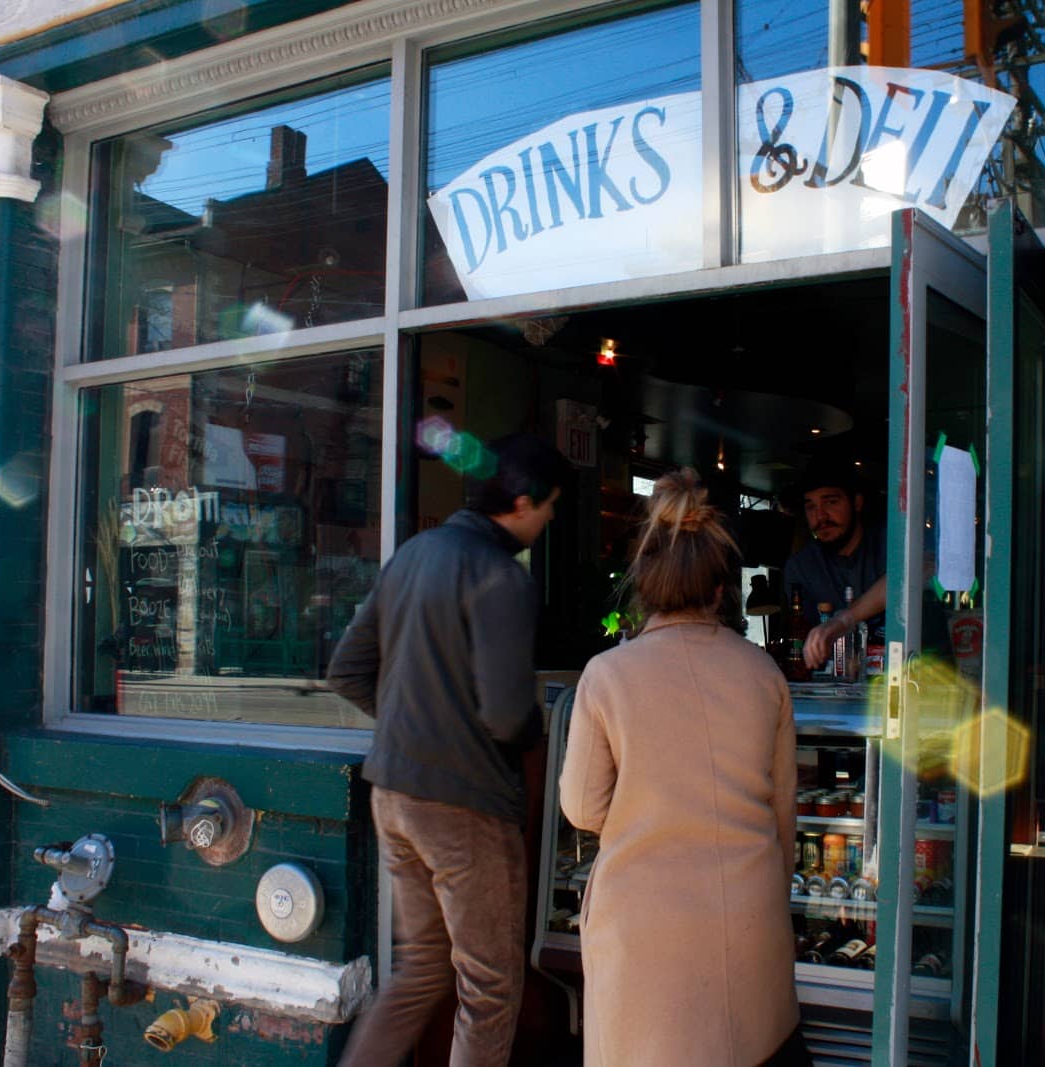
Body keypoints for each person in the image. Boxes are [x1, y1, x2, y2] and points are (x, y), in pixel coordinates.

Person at [328, 433, 571, 1067]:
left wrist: (417, 724)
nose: (548, 523)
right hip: (465, 809)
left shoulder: (413, 554)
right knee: (490, 990)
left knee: (420, 972)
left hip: (393, 795)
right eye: (549, 509)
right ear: (522, 504)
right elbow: (507, 716)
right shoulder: (503, 579)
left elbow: (346, 671)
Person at [559, 468, 807, 1067]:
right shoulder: (764, 676)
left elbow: (583, 808)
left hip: (644, 939)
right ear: (722, 591)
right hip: (750, 932)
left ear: (643, 585)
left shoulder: (607, 676)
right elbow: (783, 824)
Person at [783, 457, 886, 669]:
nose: (820, 516)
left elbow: (905, 578)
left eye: (830, 502)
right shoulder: (801, 568)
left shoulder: (887, 544)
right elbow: (806, 643)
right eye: (811, 506)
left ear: (856, 502)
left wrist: (842, 621)